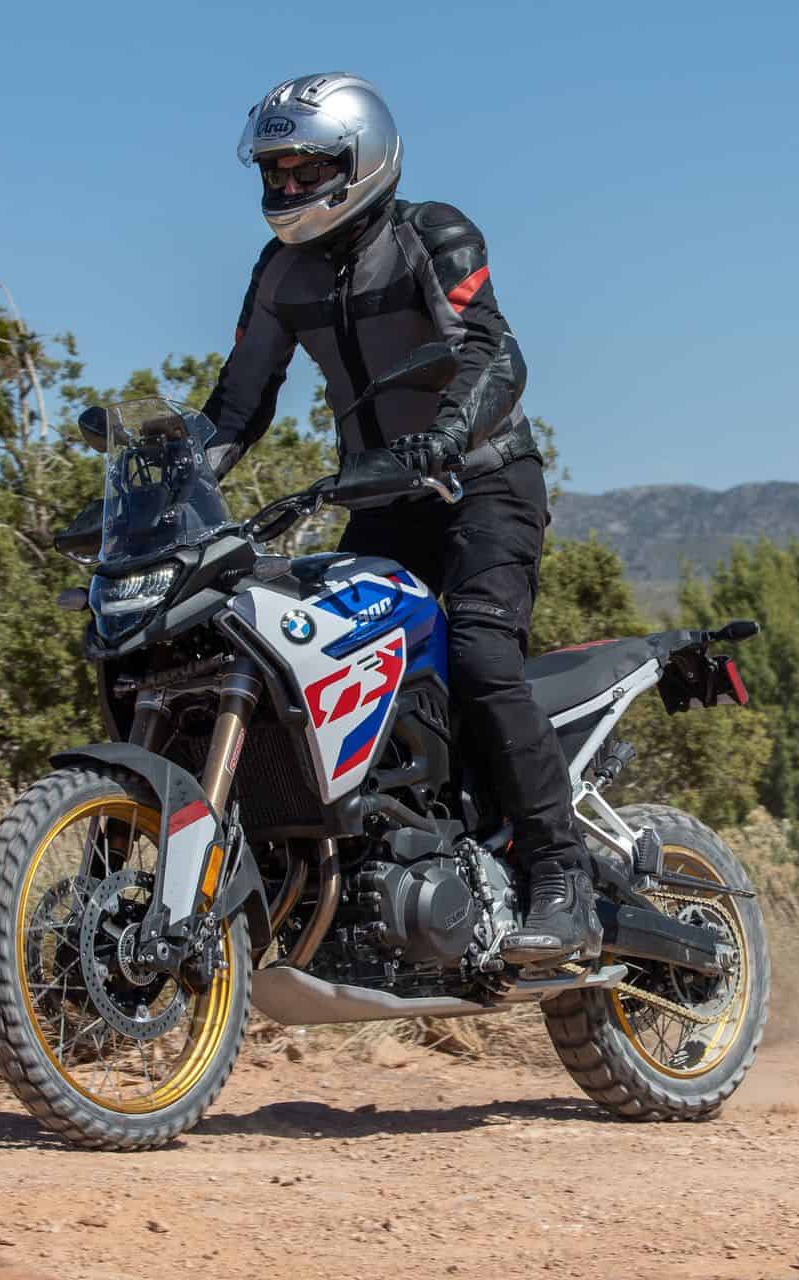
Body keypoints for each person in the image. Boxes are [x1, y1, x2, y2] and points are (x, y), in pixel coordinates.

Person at [200, 72, 594, 966]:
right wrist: (173, 476)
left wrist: (448, 437)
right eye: (275, 171)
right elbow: (237, 405)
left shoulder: (432, 235)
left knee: (482, 654)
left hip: (482, 484)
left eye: (307, 169)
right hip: (382, 498)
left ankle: (560, 876)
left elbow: (494, 353)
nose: (288, 186)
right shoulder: (281, 271)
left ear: (362, 160)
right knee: (327, 664)